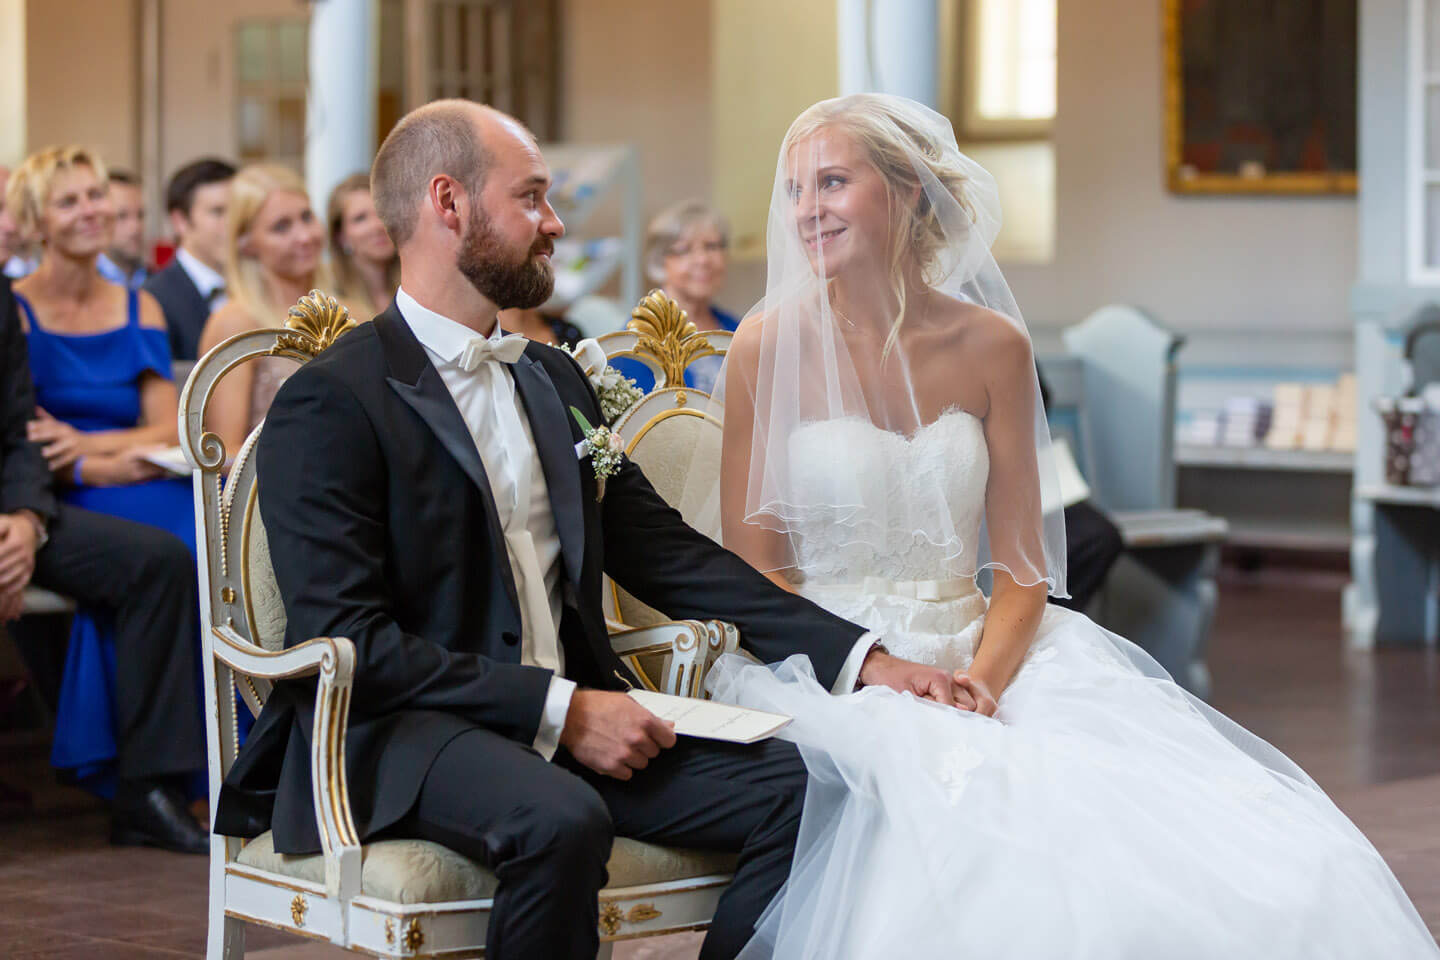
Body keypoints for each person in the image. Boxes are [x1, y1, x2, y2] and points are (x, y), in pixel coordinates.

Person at [212, 99, 968, 960]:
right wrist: (563, 710)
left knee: (821, 789)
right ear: (448, 204)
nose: (556, 222)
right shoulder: (336, 397)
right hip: (402, 738)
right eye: (531, 197)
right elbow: (350, 638)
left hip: (570, 716)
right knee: (559, 820)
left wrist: (865, 659)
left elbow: (675, 558)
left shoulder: (551, 378)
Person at [699, 94, 1439, 958]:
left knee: (1155, 837)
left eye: (832, 181)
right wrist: (871, 670)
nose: (806, 210)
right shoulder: (764, 344)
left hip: (980, 645)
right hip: (825, 661)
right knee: (940, 815)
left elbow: (1020, 571)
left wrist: (981, 682)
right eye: (793, 190)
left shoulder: (993, 347)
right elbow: (759, 572)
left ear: (904, 194)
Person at [3, 147, 206, 845]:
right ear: (33, 222)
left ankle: (217, 769)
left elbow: (166, 425)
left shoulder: (135, 302)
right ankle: (151, 783)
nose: (91, 211)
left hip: (124, 474)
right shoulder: (18, 311)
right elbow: (27, 437)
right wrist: (97, 467)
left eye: (96, 196)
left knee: (209, 538)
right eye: (69, 201)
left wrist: (94, 452)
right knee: (165, 555)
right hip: (59, 494)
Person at [196, 164, 326, 457]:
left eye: (307, 217)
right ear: (245, 243)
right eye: (281, 227)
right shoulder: (237, 323)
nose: (304, 236)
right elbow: (222, 452)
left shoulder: (349, 310)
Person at [612, 200, 739, 394]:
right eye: (685, 250)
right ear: (659, 260)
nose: (703, 260)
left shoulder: (737, 328)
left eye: (712, 247)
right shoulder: (636, 340)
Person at [1035, 365, 1124, 611]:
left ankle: (1049, 616)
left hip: (1026, 469)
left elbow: (1040, 395)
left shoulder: (1007, 330)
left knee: (1100, 536)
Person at [143, 158, 236, 361]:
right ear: (180, 222)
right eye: (218, 212)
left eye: (237, 211)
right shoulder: (153, 299)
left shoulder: (257, 286)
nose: (232, 224)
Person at [326, 171, 399, 319]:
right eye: (361, 218)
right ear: (340, 236)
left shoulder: (415, 290)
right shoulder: (331, 301)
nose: (378, 225)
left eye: (382, 212)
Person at [96, 169, 149, 290]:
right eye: (122, 216)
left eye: (140, 215)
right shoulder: (80, 288)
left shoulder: (158, 285)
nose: (135, 227)